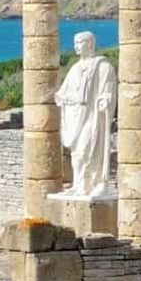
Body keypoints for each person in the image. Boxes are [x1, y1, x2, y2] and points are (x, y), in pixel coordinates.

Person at [54, 31, 117, 197]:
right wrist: (61, 97)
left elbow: (108, 90)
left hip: (93, 115)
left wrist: (105, 100)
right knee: (76, 154)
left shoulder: (103, 66)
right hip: (76, 115)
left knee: (87, 150)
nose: (76, 47)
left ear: (90, 44)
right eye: (75, 43)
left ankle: (95, 184)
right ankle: (79, 184)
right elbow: (63, 90)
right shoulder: (75, 69)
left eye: (79, 42)